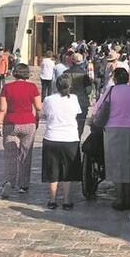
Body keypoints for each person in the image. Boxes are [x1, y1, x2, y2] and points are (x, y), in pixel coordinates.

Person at [91, 66, 130, 211]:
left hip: (113, 129)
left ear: (114, 78)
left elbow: (98, 108)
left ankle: (120, 198)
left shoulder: (111, 91)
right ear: (128, 78)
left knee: (116, 164)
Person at [0, 63, 42, 198]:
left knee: (10, 155)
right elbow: (38, 107)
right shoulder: (32, 87)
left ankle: (9, 182)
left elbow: (2, 108)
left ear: (15, 73)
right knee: (26, 154)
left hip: (10, 123)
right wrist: (37, 119)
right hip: (28, 122)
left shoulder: (7, 88)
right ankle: (23, 185)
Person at [39, 72, 81, 210]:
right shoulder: (73, 98)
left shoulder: (48, 99)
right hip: (70, 138)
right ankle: (67, 200)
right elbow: (76, 114)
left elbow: (44, 114)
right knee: (68, 171)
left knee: (53, 170)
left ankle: (52, 200)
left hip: (52, 137)